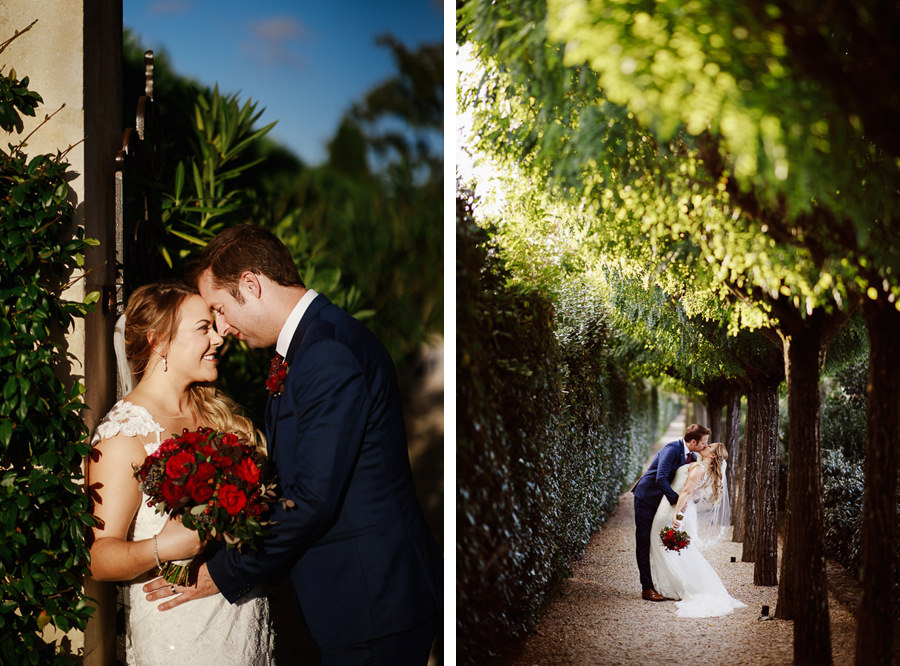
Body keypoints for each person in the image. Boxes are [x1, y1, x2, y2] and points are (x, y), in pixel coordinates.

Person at [144, 225, 443, 665]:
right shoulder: (313, 343)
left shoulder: (326, 352)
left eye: (220, 309)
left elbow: (311, 499)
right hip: (360, 601)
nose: (222, 329)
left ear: (251, 284)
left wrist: (220, 575)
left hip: (373, 604)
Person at [87, 280, 275, 665]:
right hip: (180, 631)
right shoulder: (123, 435)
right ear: (158, 342)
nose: (219, 338)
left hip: (243, 615)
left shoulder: (219, 417)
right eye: (203, 328)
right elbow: (99, 557)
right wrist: (166, 547)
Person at [649, 441, 746, 617]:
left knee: (661, 542)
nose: (705, 446)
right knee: (678, 549)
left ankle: (673, 587)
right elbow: (696, 494)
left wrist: (676, 515)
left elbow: (686, 492)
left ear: (713, 455)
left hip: (674, 508)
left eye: (709, 447)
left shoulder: (699, 469)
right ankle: (671, 584)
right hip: (684, 509)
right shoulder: (704, 469)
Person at [632, 423, 710, 601]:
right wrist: (676, 502)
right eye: (703, 442)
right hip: (647, 498)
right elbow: (660, 478)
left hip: (663, 503)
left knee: (661, 540)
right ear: (692, 441)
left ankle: (664, 583)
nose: (705, 446)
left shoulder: (692, 457)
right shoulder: (672, 448)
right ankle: (647, 588)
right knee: (644, 541)